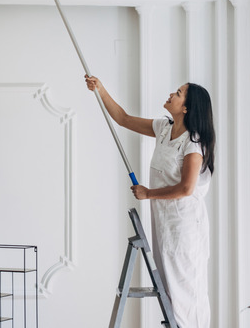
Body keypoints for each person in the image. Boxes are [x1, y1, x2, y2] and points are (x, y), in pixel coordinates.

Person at [84, 75, 215, 328]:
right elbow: (123, 119)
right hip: (165, 221)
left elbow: (187, 188)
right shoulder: (164, 128)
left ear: (187, 107)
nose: (171, 94)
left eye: (178, 93)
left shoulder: (193, 143)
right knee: (169, 290)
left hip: (185, 226)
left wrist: (148, 193)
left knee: (185, 291)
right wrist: (100, 89)